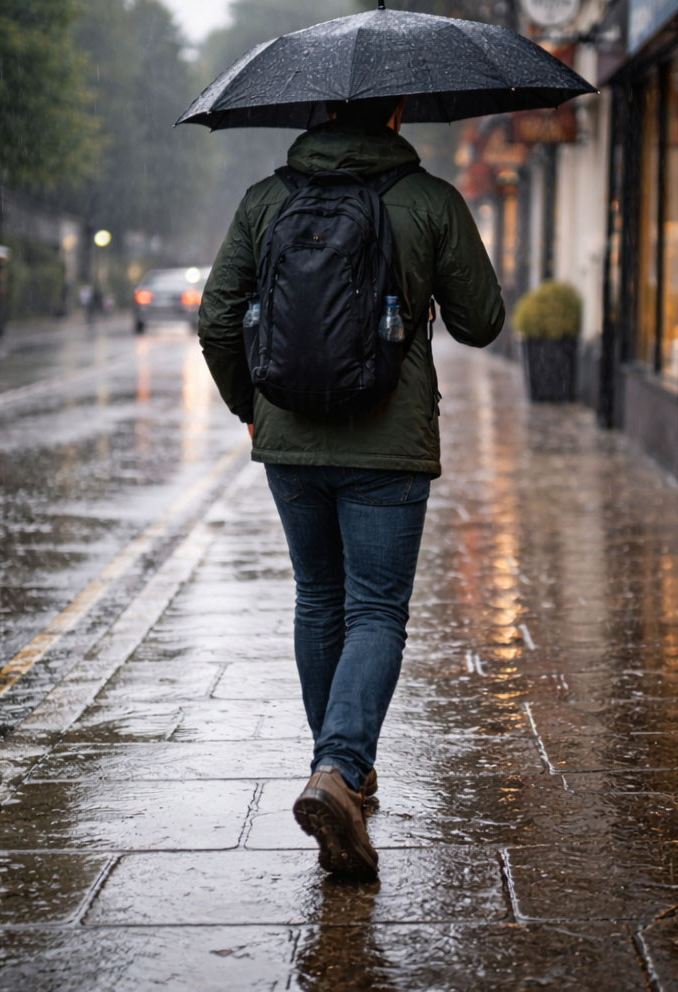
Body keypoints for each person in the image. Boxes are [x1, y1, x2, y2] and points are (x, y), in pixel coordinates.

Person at [199, 94, 504, 877]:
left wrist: (252, 407)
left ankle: (337, 771)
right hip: (389, 443)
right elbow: (483, 322)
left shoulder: (267, 198)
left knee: (318, 599)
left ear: (320, 106)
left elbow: (217, 318)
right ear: (398, 110)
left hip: (289, 440)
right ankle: (339, 769)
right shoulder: (430, 199)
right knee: (375, 609)